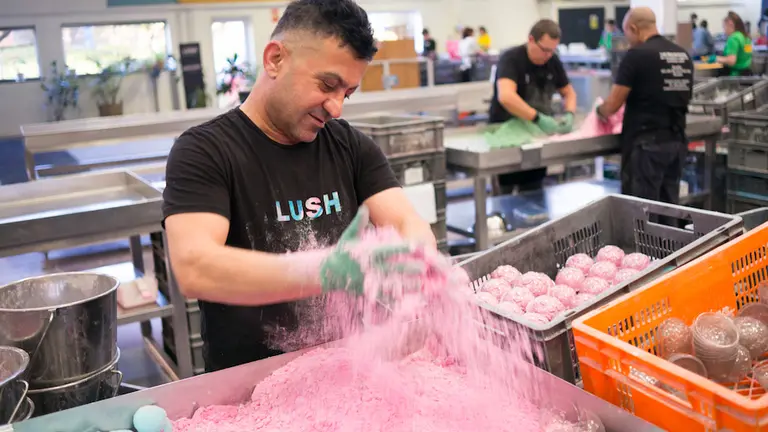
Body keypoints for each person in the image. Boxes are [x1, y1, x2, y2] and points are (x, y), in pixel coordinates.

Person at [162, 0, 438, 373]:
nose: (337, 107)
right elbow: (195, 267)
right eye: (327, 84)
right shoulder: (206, 151)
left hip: (348, 371)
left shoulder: (350, 146)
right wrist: (320, 272)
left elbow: (408, 222)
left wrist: (418, 258)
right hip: (251, 388)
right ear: (275, 59)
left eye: (348, 93)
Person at [596, 7, 693, 205]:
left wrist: (599, 111)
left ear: (633, 28)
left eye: (627, 34)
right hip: (676, 142)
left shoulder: (636, 56)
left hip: (646, 147)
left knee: (641, 213)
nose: (628, 40)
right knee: (668, 208)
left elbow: (613, 104)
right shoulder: (682, 55)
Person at [489, 19, 578, 195]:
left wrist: (569, 114)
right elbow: (506, 96)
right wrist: (537, 118)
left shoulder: (552, 61)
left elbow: (569, 93)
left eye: (552, 51)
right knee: (505, 196)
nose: (547, 55)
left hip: (536, 139)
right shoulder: (511, 59)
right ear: (531, 40)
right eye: (544, 50)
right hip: (508, 140)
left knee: (533, 193)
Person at [711, 11, 753, 76]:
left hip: (735, 77)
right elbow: (747, 55)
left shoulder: (733, 38)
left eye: (724, 27)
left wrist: (716, 58)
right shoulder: (746, 37)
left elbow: (731, 61)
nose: (724, 30)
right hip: (746, 74)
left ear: (731, 25)